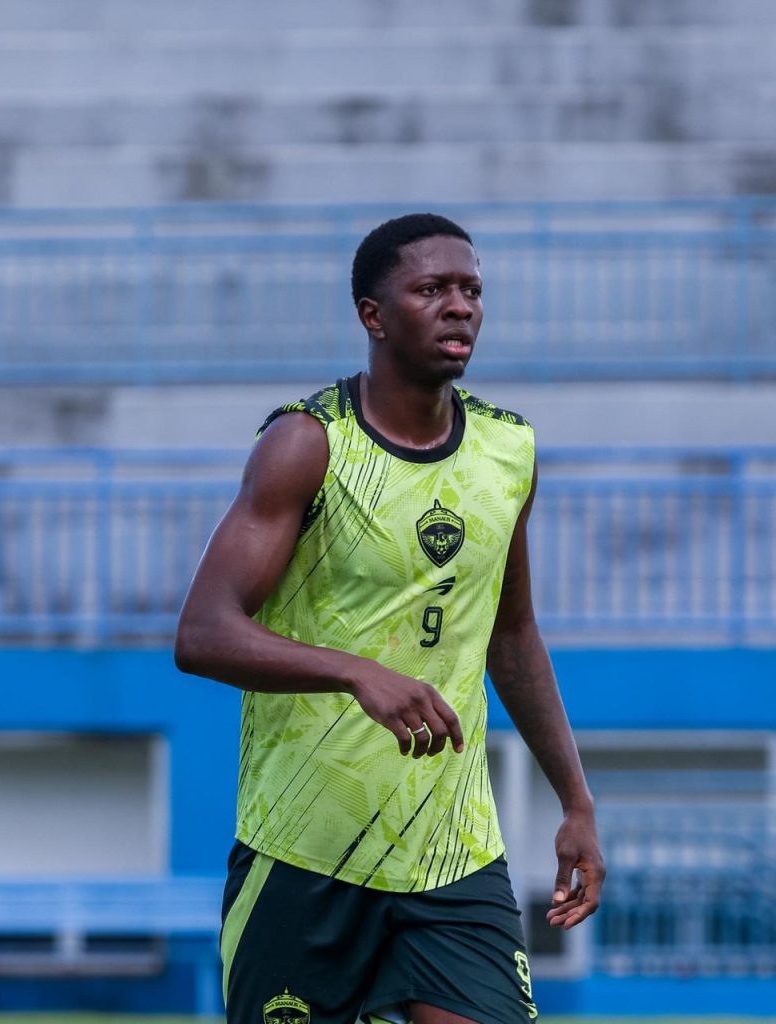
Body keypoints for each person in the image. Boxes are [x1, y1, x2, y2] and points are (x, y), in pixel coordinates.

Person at [175, 212, 604, 1024]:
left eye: (471, 289)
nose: (460, 306)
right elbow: (202, 633)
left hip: (452, 854)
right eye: (432, 289)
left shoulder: (507, 451)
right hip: (306, 849)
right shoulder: (309, 444)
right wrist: (356, 674)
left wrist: (575, 800)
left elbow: (512, 636)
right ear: (373, 315)